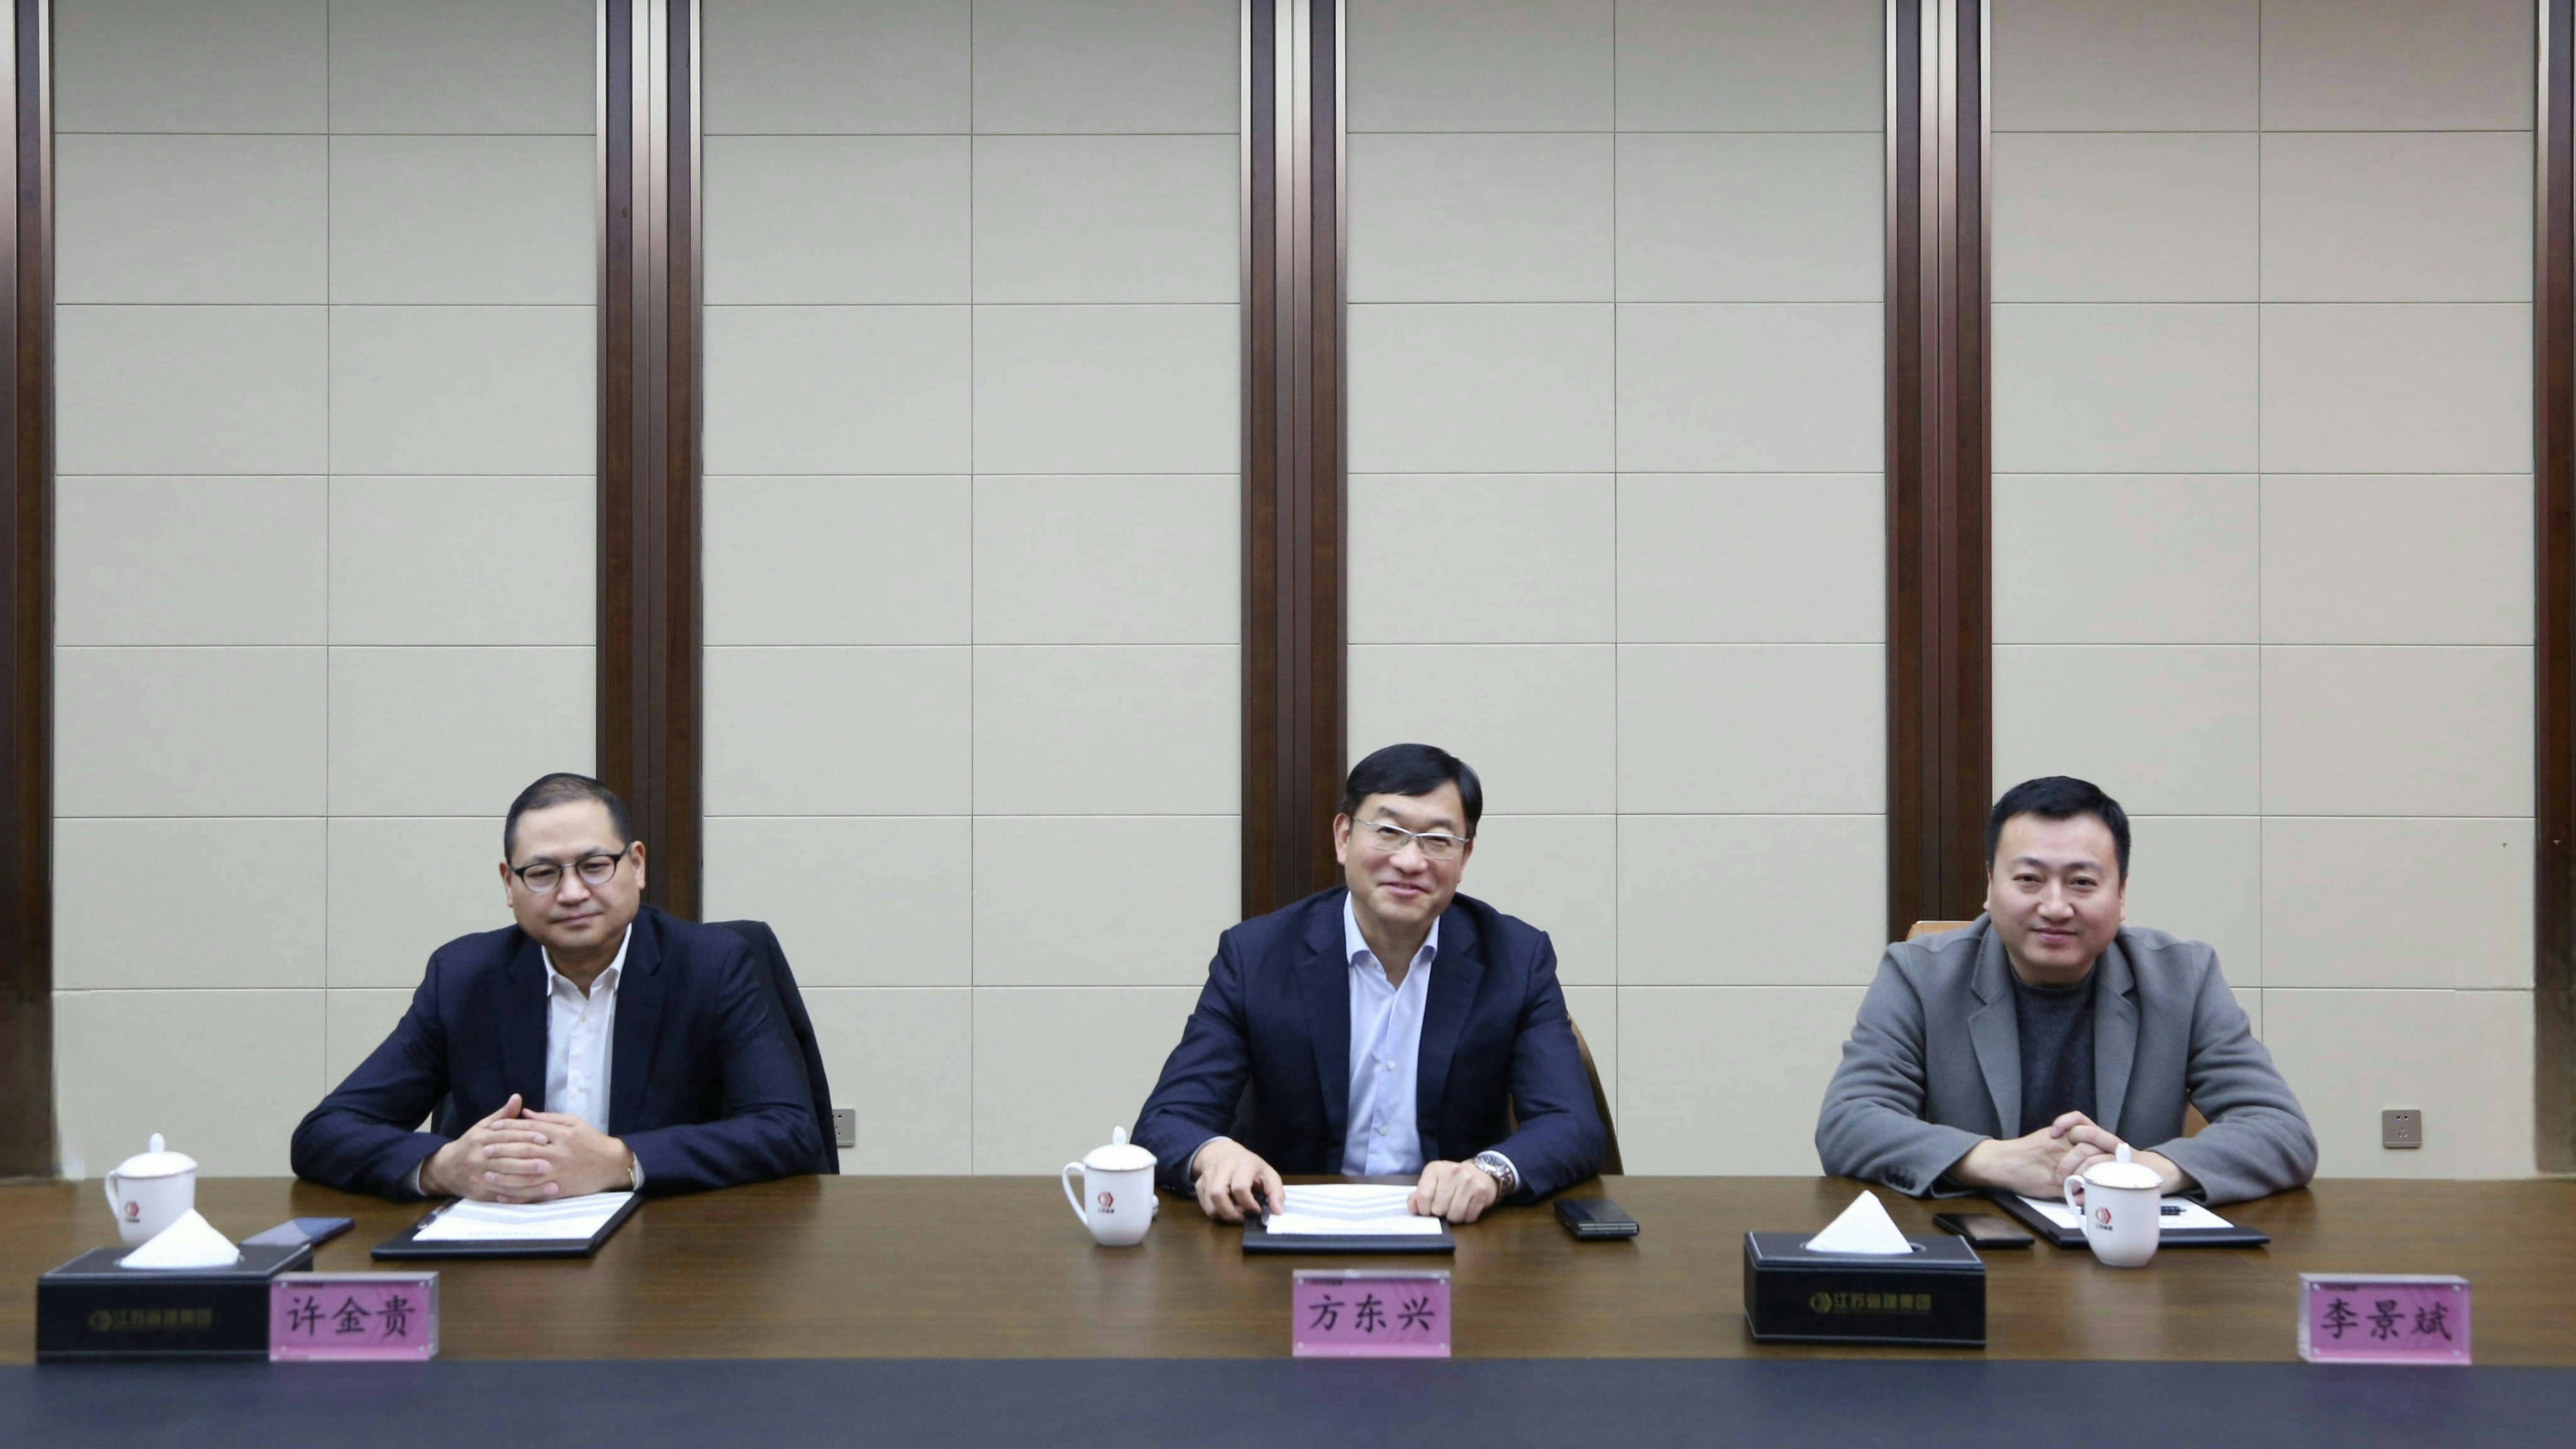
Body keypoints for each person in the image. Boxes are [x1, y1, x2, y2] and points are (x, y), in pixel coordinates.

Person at [291, 772, 821, 1200]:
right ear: (509, 883)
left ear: (636, 865)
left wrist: (623, 1160)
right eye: (542, 873)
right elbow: (325, 1132)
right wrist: (441, 1166)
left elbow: (789, 1130)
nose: (571, 893)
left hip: (668, 1249)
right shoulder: (463, 976)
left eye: (594, 866)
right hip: (505, 1255)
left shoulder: (712, 964)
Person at [1134, 743, 1605, 1224]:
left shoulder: (1515, 958)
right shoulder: (1255, 956)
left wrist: (1489, 1172)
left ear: (1464, 856)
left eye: (1437, 840)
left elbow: (1571, 1123)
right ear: (1343, 837)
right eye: (1388, 832)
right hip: (1288, 1225)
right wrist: (1213, 1154)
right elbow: (1167, 1120)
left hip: (1456, 1232)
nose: (1410, 860)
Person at [1815, 775, 2315, 1205]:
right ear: (1989, 886)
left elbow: (2280, 1130)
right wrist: (1994, 1161)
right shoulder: (1918, 974)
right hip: (1975, 1247)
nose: (2055, 907)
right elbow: (1848, 1122)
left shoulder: (2183, 976)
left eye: (2081, 882)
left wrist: (2145, 1170)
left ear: (2121, 894)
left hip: (2133, 1253)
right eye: (2029, 879)